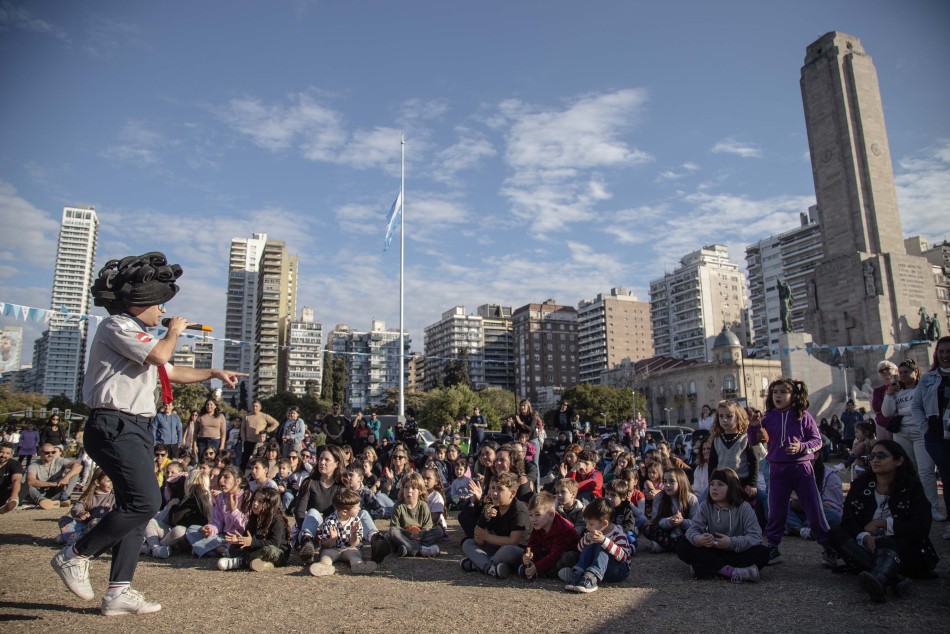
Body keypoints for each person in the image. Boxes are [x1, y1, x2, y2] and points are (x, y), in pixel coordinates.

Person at [50, 252, 244, 617]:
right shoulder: (118, 327)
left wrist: (214, 373)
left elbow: (170, 369)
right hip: (114, 423)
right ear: (139, 303)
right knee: (146, 503)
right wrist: (172, 332)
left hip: (136, 425)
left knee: (135, 509)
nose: (162, 311)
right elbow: (160, 354)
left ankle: (118, 591)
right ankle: (75, 554)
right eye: (158, 305)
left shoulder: (138, 338)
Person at [827, 440, 939, 602]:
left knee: (886, 543)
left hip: (902, 549)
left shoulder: (912, 488)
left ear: (899, 460)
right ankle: (893, 578)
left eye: (881, 456)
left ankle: (879, 579)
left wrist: (884, 524)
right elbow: (848, 520)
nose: (875, 460)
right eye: (872, 456)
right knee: (835, 533)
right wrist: (864, 536)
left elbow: (920, 528)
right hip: (866, 545)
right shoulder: (860, 485)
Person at [760, 377, 834, 567]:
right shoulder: (768, 417)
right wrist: (753, 425)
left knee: (814, 509)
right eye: (775, 392)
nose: (778, 395)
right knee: (776, 510)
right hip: (777, 468)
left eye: (783, 392)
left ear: (793, 395)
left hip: (802, 469)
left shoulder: (803, 416)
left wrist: (801, 447)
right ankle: (773, 546)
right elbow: (755, 440)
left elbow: (817, 441)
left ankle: (828, 546)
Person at [677, 467, 770, 582]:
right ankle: (732, 572)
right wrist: (699, 539)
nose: (714, 488)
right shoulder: (706, 506)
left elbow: (755, 537)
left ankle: (705, 567)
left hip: (737, 551)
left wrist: (731, 543)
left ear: (731, 487)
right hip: (713, 550)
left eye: (720, 484)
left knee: (763, 552)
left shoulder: (744, 508)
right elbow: (692, 530)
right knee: (682, 545)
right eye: (712, 484)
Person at [882, 358, 943, 521]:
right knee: (908, 470)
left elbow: (924, 407)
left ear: (916, 373)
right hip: (901, 433)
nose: (903, 375)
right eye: (900, 373)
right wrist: (889, 394)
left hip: (921, 432)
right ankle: (911, 505)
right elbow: (887, 412)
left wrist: (902, 411)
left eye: (906, 372)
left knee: (926, 470)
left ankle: (932, 508)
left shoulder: (924, 388)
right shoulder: (897, 391)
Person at [911, 335, 950, 540]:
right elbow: (916, 406)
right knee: (947, 477)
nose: (945, 355)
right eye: (941, 352)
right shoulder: (928, 378)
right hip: (936, 435)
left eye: (948, 352)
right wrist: (925, 429)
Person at [460, 472, 529, 578]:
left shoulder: (519, 510)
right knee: (468, 543)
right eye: (492, 488)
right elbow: (479, 540)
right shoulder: (492, 507)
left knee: (507, 550)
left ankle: (479, 564)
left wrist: (487, 536)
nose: (494, 493)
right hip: (496, 548)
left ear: (512, 493)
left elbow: (513, 541)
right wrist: (484, 518)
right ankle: (491, 568)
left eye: (500, 489)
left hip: (517, 551)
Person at [559, 497, 633, 593]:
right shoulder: (592, 532)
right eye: (586, 523)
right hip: (598, 567)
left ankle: (591, 579)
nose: (587, 527)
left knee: (601, 547)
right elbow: (580, 548)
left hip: (618, 570)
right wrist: (587, 539)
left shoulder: (618, 534)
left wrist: (604, 541)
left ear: (604, 523)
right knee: (589, 547)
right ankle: (578, 574)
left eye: (590, 524)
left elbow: (623, 557)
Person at [216, 487, 291, 572]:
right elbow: (248, 537)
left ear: (271, 504)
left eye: (260, 501)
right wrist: (240, 540)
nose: (255, 504)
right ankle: (264, 564)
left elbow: (275, 543)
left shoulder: (277, 520)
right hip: (257, 549)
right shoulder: (254, 517)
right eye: (254, 500)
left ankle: (241, 561)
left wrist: (251, 542)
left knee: (268, 550)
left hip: (277, 553)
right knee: (233, 548)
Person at [295, 445, 346, 564]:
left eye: (327, 460)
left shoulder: (342, 486)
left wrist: (324, 531)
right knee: (313, 512)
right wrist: (313, 531)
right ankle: (307, 545)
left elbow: (343, 514)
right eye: (320, 459)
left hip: (332, 530)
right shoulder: (309, 483)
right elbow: (299, 512)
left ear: (337, 463)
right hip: (308, 528)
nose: (322, 462)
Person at [308, 489, 377, 576]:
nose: (359, 509)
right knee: (326, 556)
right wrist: (332, 539)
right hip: (332, 549)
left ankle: (358, 565)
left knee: (355, 555)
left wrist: (354, 534)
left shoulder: (356, 520)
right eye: (356, 507)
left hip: (349, 548)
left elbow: (355, 544)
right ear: (344, 512)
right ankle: (324, 567)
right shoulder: (330, 521)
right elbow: (325, 545)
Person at [187, 465, 250, 558]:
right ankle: (223, 551)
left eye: (226, 477)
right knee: (191, 530)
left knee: (199, 545)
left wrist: (233, 511)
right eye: (220, 477)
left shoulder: (247, 497)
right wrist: (210, 529)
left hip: (237, 538)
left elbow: (246, 526)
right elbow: (217, 521)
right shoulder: (221, 497)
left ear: (238, 481)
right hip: (221, 537)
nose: (221, 481)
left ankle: (212, 550)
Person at [518, 491, 579, 580]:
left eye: (538, 515)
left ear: (551, 515)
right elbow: (532, 546)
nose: (533, 519)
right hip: (550, 553)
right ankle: (535, 571)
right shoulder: (538, 526)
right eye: (530, 515)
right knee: (535, 555)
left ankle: (543, 573)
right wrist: (527, 557)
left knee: (569, 557)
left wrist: (537, 567)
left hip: (563, 556)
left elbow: (556, 554)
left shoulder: (563, 528)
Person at [707, 401, 758, 503]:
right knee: (703, 502)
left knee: (764, 500)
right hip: (722, 483)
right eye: (721, 416)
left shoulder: (746, 438)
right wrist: (711, 483)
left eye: (729, 416)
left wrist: (752, 484)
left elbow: (754, 461)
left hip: (741, 483)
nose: (724, 420)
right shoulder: (717, 439)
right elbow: (712, 463)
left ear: (738, 416)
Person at [785, 452, 843, 539]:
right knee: (772, 503)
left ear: (815, 455)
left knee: (834, 516)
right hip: (798, 514)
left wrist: (808, 503)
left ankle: (796, 528)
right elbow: (788, 500)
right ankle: (803, 530)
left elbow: (832, 507)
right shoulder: (792, 472)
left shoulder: (830, 477)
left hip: (820, 514)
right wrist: (794, 504)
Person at [386, 472, 441, 558]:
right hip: (404, 537)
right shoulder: (398, 506)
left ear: (420, 491)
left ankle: (408, 550)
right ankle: (421, 550)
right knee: (392, 531)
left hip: (419, 537)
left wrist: (420, 534)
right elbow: (395, 526)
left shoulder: (423, 505)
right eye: (406, 487)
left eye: (413, 488)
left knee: (438, 531)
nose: (409, 491)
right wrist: (409, 534)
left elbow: (428, 525)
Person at [643, 468, 698, 553]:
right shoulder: (659, 497)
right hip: (665, 532)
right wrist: (669, 522)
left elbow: (695, 523)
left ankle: (666, 546)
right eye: (665, 481)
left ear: (681, 482)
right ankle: (677, 546)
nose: (667, 485)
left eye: (671, 481)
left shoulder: (691, 499)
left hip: (683, 533)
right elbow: (656, 520)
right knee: (647, 528)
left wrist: (682, 522)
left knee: (694, 535)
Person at [57, 469, 115, 545]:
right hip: (85, 527)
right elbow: (76, 508)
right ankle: (78, 538)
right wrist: (80, 512)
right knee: (64, 520)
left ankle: (74, 539)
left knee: (96, 522)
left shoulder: (114, 497)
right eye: (108, 481)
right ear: (97, 482)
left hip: (104, 528)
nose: (112, 484)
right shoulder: (88, 497)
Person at [24, 443, 82, 509]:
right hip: (40, 493)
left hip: (57, 491)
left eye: (53, 452)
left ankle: (64, 497)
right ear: (40, 453)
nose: (50, 455)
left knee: (75, 473)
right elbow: (31, 481)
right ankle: (43, 501)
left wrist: (66, 478)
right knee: (27, 485)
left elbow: (78, 466)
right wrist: (51, 484)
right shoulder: (33, 466)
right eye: (47, 453)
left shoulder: (59, 461)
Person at [238, 401, 279, 472]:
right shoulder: (247, 416)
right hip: (248, 442)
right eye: (253, 406)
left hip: (260, 442)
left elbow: (276, 423)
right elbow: (242, 429)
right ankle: (241, 475)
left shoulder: (264, 416)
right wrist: (243, 439)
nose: (255, 407)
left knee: (261, 461)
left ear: (260, 407)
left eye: (256, 406)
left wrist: (267, 430)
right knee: (244, 460)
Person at [0, 442, 24, 514]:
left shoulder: (15, 464)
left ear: (11, 455)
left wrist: (14, 494)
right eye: (1, 452)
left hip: (6, 492)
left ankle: (11, 503)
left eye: (7, 453)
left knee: (24, 485)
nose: (4, 455)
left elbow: (16, 479)